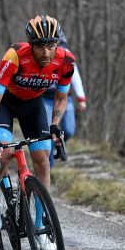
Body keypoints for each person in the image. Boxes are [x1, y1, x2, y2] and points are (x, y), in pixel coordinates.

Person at [0, 15, 75, 250]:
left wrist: (55, 123)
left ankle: (40, 227)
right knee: (3, 155)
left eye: (51, 46)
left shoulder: (66, 62)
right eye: (40, 46)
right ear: (31, 44)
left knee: (43, 161)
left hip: (33, 107)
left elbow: (62, 98)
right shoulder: (14, 56)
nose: (46, 53)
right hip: (6, 104)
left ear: (58, 44)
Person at [42, 31, 87, 167]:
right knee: (48, 130)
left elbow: (76, 78)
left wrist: (81, 98)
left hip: (65, 97)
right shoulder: (43, 57)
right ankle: (49, 165)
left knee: (69, 130)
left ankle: (59, 143)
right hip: (47, 99)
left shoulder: (67, 57)